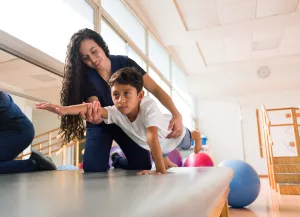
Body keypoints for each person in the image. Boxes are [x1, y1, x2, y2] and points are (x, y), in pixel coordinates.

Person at [51, 28, 184, 172]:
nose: (93, 60)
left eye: (94, 51)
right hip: (102, 124)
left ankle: (118, 161)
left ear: (101, 45)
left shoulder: (125, 63)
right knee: (93, 168)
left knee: (142, 165)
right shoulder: (87, 78)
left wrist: (176, 114)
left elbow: (156, 89)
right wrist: (94, 117)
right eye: (85, 57)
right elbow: (96, 108)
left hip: (126, 122)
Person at [36, 68, 202, 175]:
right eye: (116, 95)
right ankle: (166, 162)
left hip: (172, 135)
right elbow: (89, 107)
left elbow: (152, 137)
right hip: (155, 145)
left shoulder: (148, 106)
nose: (121, 100)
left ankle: (196, 135)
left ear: (140, 95)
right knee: (160, 151)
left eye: (127, 94)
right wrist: (62, 110)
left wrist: (158, 171)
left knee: (186, 141)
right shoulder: (116, 112)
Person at [0, 91, 56, 174]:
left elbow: (4, 103)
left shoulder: (2, 99)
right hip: (12, 131)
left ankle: (35, 164)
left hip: (19, 132)